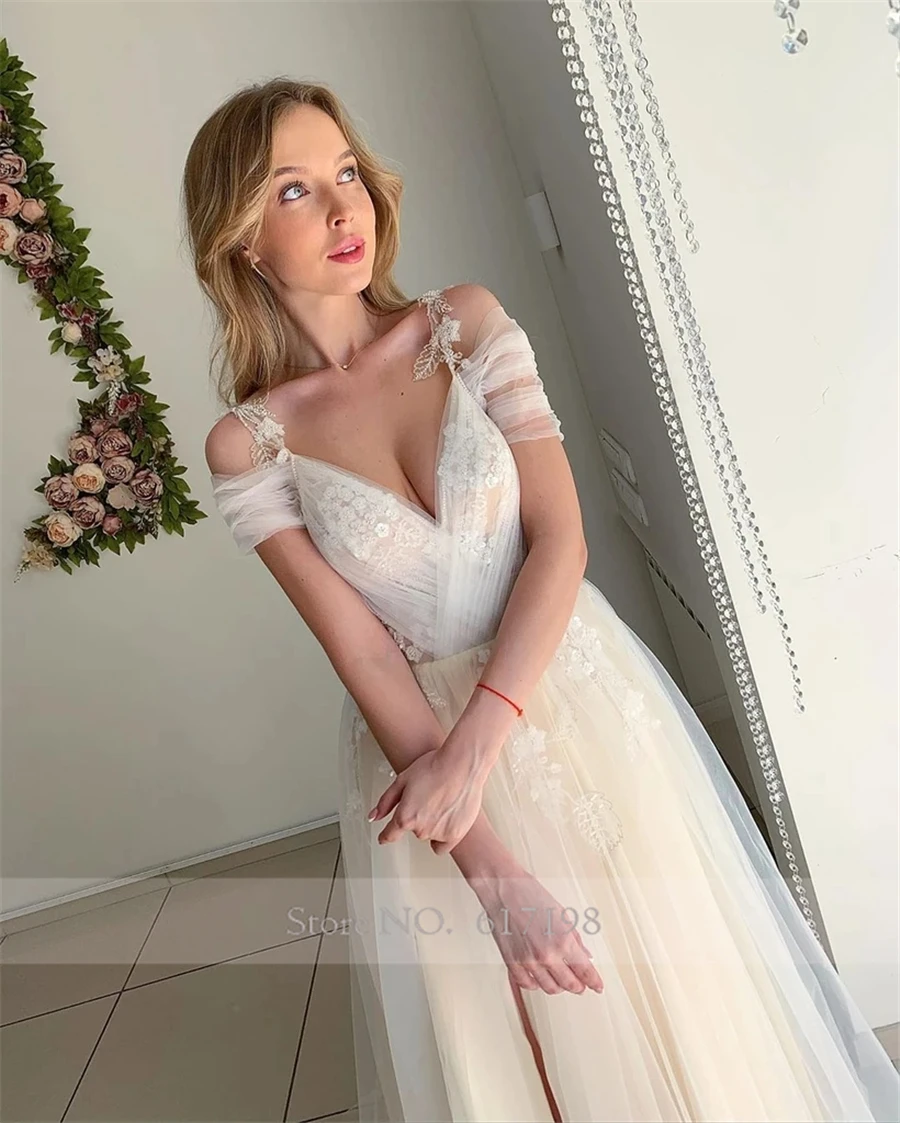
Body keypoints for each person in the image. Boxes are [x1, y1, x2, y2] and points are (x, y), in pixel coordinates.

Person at [184, 77, 900, 1123]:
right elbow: (364, 653)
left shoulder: (463, 324)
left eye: (346, 173)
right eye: (294, 190)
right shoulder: (250, 443)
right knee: (526, 1055)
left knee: (675, 1001)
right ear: (242, 238)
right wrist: (485, 863)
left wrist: (478, 745)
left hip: (572, 699)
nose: (344, 209)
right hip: (420, 753)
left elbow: (561, 539)